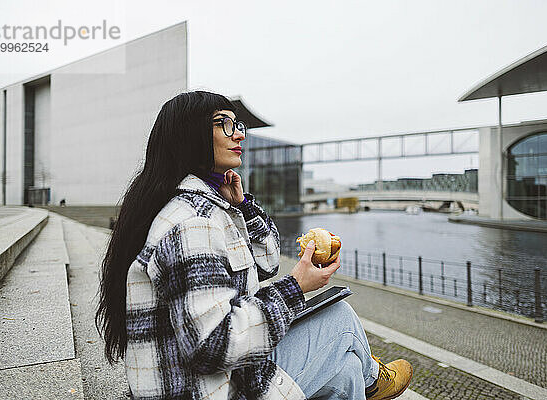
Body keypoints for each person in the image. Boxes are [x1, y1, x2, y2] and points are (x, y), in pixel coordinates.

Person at [95, 91, 413, 399]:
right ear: (190, 136)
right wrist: (296, 288)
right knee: (340, 319)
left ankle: (369, 380)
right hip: (205, 389)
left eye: (239, 125)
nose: (239, 135)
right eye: (225, 124)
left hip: (216, 380)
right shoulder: (194, 222)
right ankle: (374, 382)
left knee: (345, 373)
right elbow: (214, 346)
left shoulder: (205, 206)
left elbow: (265, 264)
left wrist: (244, 206)